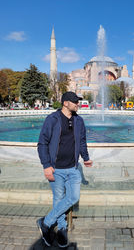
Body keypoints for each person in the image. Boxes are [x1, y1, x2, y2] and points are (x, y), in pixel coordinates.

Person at [36, 91, 93, 248]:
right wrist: (46, 165)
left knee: (73, 198)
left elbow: (82, 141)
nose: (78, 104)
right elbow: (42, 143)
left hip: (73, 168)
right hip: (56, 169)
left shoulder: (79, 121)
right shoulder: (52, 119)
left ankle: (45, 222)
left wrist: (86, 158)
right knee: (58, 199)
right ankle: (61, 229)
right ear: (66, 103)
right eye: (75, 102)